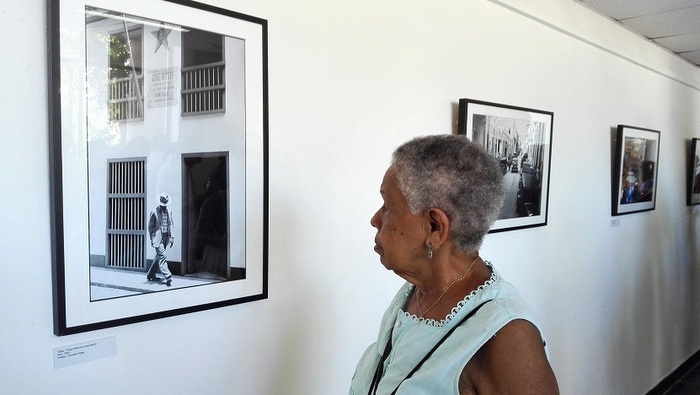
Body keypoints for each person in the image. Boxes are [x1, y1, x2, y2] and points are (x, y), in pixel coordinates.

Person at [349, 135, 558, 394]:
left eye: (387, 206)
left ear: (435, 227)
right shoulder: (415, 295)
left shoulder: (507, 338)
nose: (375, 219)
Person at [146, 192, 175, 286]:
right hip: (157, 237)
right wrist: (151, 239)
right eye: (163, 205)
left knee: (158, 256)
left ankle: (150, 274)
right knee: (162, 256)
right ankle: (168, 276)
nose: (164, 207)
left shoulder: (169, 211)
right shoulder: (154, 212)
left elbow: (171, 225)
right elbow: (150, 227)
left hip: (166, 237)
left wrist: (172, 237)